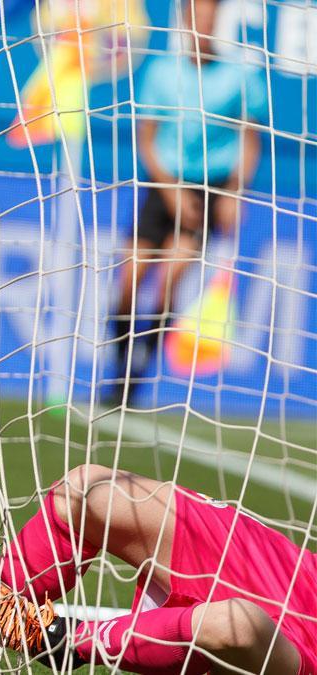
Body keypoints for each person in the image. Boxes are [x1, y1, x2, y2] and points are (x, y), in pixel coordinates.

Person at [0, 465, 316, 674]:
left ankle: (61, 640)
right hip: (298, 576)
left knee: (232, 624)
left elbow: (239, 630)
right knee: (87, 491)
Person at [108, 0, 265, 404]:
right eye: (196, 15)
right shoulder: (162, 72)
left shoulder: (240, 75)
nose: (203, 24)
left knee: (171, 281)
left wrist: (233, 193)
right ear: (185, 21)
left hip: (208, 191)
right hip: (162, 185)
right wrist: (170, 190)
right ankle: (119, 364)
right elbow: (147, 139)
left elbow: (250, 139)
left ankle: (139, 373)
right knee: (130, 281)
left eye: (210, 16)